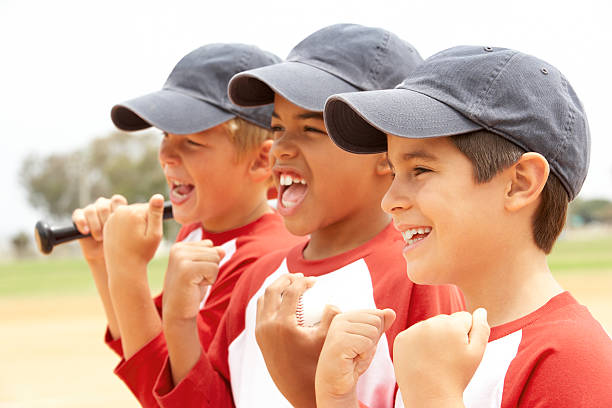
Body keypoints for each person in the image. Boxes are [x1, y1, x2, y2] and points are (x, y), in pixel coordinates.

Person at [151, 23, 465, 408]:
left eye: (313, 129)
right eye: (278, 127)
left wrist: (307, 388)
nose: (280, 148)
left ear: (386, 154)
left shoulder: (418, 280)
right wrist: (180, 325)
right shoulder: (257, 281)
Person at [317, 45, 612, 407]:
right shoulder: (443, 347)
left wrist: (433, 396)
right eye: (394, 171)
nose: (389, 200)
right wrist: (337, 397)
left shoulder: (571, 358)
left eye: (420, 170)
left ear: (519, 183)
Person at [72, 43, 304, 407]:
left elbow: (163, 391)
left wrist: (127, 271)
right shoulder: (199, 231)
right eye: (165, 136)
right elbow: (146, 350)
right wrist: (104, 262)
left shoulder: (262, 260)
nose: (165, 155)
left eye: (192, 142)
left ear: (262, 161)